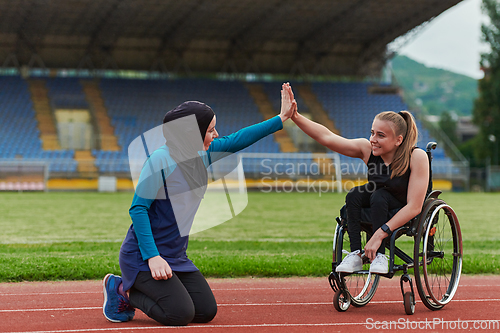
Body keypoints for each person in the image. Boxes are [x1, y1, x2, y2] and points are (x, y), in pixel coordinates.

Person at [102, 83, 297, 326]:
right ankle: (122, 289)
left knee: (205, 311)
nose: (216, 135)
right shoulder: (160, 160)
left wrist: (281, 118)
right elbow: (138, 209)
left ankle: (152, 287)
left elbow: (238, 139)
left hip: (175, 255)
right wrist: (152, 256)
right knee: (179, 314)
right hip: (142, 257)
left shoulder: (202, 153)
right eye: (211, 130)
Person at [289, 88, 429, 274]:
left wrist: (379, 235)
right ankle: (355, 254)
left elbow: (414, 207)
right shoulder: (367, 149)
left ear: (398, 140)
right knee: (355, 194)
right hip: (377, 202)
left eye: (381, 135)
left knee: (379, 195)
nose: (373, 140)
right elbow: (327, 137)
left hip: (401, 207)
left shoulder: (416, 156)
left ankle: (380, 256)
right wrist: (296, 116)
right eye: (372, 133)